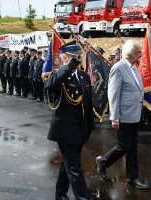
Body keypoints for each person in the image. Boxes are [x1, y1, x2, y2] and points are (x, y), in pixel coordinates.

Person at [45, 41, 95, 200]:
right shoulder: (59, 74)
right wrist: (69, 67)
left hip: (80, 129)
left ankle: (60, 194)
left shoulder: (84, 76)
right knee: (74, 166)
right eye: (72, 57)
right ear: (65, 57)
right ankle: (83, 197)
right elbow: (50, 85)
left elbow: (87, 102)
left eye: (77, 57)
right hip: (64, 130)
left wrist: (89, 126)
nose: (76, 59)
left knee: (67, 164)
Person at [96, 40, 148, 189]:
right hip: (123, 115)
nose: (141, 54)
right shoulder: (118, 68)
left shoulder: (134, 67)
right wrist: (115, 117)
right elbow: (113, 94)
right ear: (131, 53)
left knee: (133, 147)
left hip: (135, 114)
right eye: (139, 52)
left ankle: (132, 177)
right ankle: (103, 161)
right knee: (124, 146)